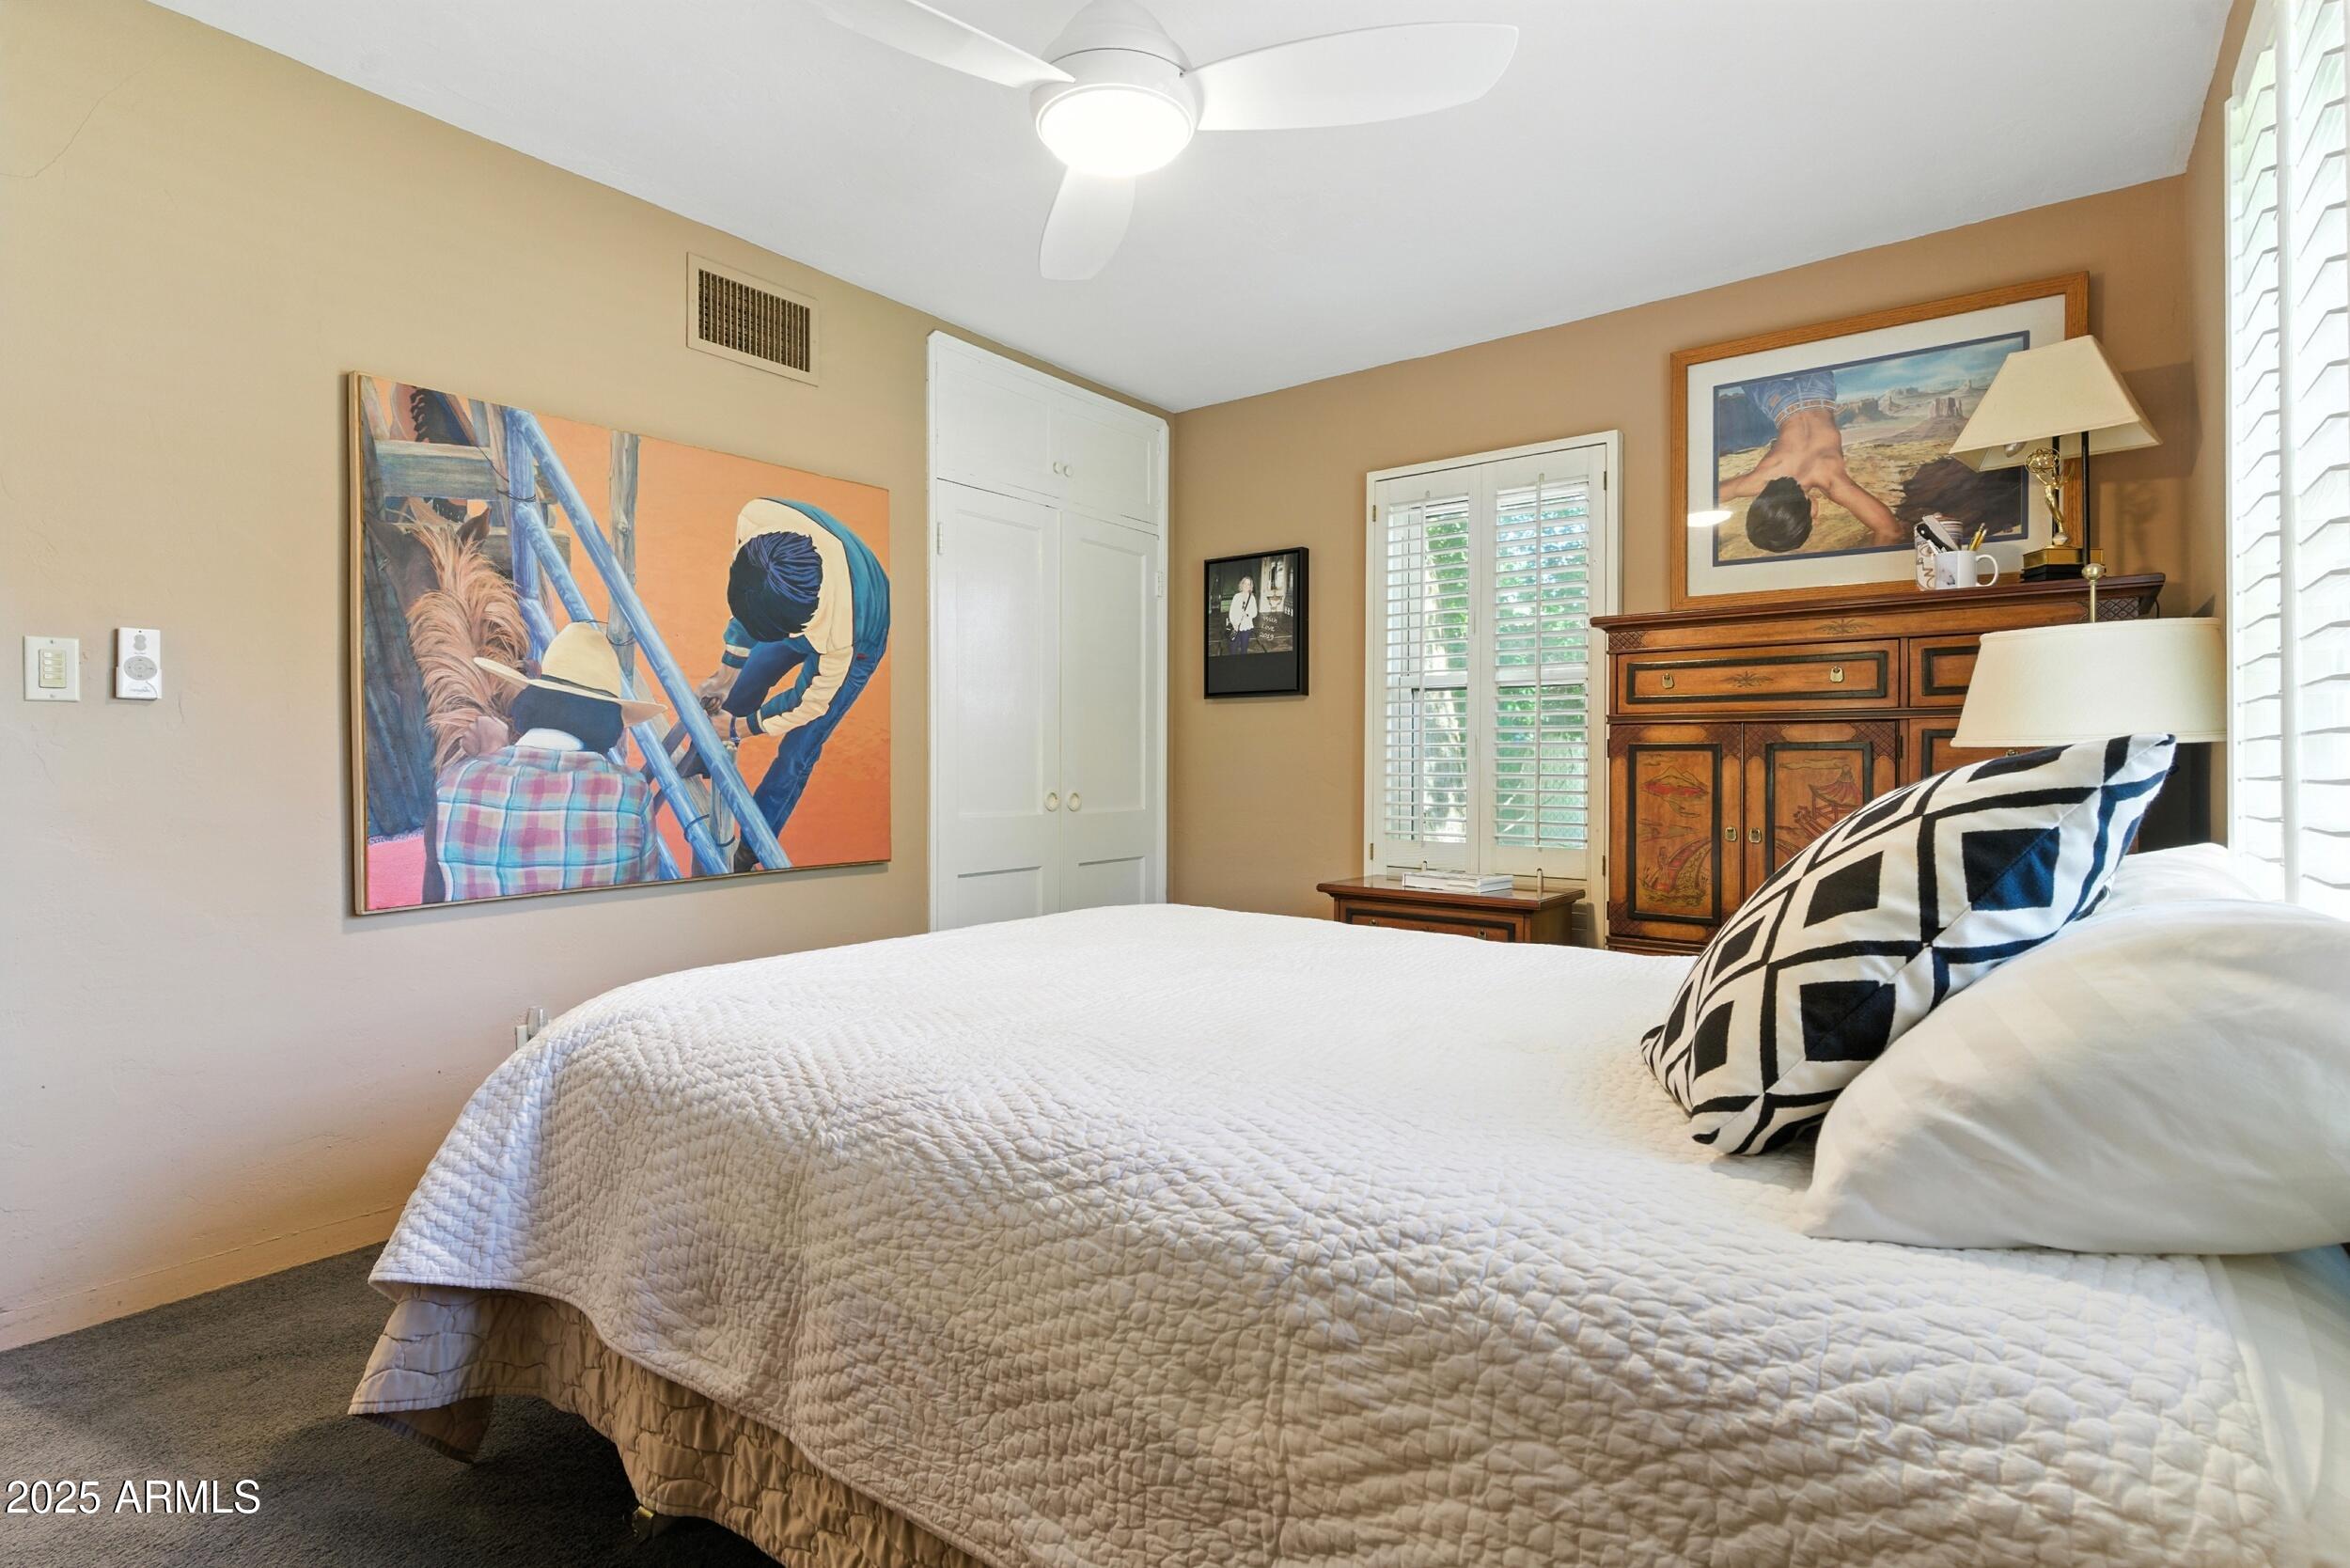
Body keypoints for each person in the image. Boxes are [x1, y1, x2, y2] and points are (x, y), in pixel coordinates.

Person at [686, 498, 890, 870]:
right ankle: (704, 751)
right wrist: (724, 676)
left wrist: (741, 728)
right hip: (806, 598)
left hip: (860, 631)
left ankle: (752, 846)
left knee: (799, 751)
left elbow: (808, 703)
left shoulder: (844, 633)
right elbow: (747, 605)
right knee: (749, 678)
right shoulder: (755, 520)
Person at [431, 620, 667, 902]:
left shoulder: (455, 784)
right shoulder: (630, 792)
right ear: (609, 726)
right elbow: (644, 895)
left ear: (531, 701)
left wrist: (488, 758)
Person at [1716, 368, 1904, 552]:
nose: (1816, 520)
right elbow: (1708, 496)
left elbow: (1890, 531)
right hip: (1777, 401)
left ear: (1801, 512)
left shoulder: (1830, 481)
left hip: (1819, 391)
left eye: (1810, 521)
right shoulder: (1758, 482)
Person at [1226, 574, 1258, 654]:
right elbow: (1231, 611)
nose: (1247, 586)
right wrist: (1234, 623)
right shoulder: (1236, 596)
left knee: (1244, 650)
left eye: (1249, 584)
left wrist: (1247, 615)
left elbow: (1255, 613)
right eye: (1245, 583)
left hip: (1246, 627)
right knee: (1233, 650)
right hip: (1235, 626)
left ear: (1251, 586)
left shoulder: (1252, 598)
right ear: (1242, 584)